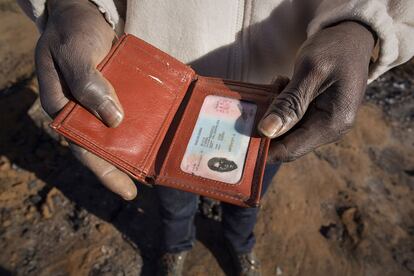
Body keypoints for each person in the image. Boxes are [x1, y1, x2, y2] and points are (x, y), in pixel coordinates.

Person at [17, 0, 414, 275]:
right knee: (173, 198)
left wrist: (360, 22)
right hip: (159, 101)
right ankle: (177, 248)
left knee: (246, 198)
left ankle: (240, 245)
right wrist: (74, 5)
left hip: (271, 105)